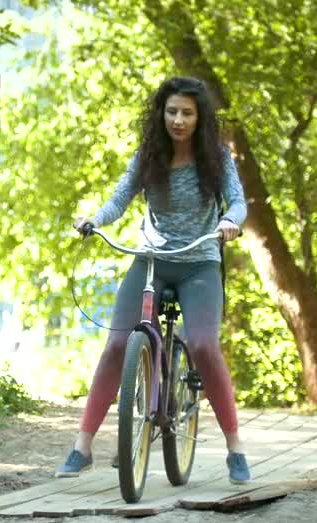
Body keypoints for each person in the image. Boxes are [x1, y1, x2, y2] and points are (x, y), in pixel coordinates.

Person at [56, 76, 251, 484]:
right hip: (151, 261)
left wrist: (231, 221)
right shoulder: (148, 157)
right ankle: (82, 448)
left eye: (187, 113)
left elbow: (237, 201)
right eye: (172, 111)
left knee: (203, 344)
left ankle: (235, 449)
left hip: (199, 262)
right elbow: (120, 197)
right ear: (161, 115)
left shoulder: (216, 158)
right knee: (116, 343)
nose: (178, 120)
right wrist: (95, 219)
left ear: (200, 118)